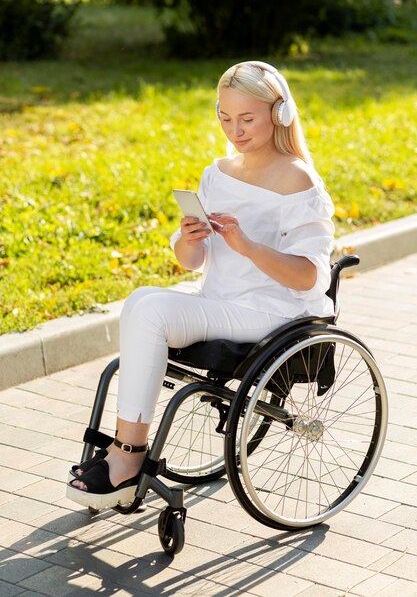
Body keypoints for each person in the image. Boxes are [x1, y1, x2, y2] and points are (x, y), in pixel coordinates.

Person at [67, 60, 335, 509]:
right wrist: (189, 240)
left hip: (274, 311)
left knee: (150, 310)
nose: (236, 131)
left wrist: (248, 246)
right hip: (220, 300)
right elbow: (192, 261)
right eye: (225, 118)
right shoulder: (218, 171)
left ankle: (127, 457)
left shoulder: (297, 179)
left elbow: (311, 277)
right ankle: (125, 447)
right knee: (139, 302)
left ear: (280, 113)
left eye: (247, 119)